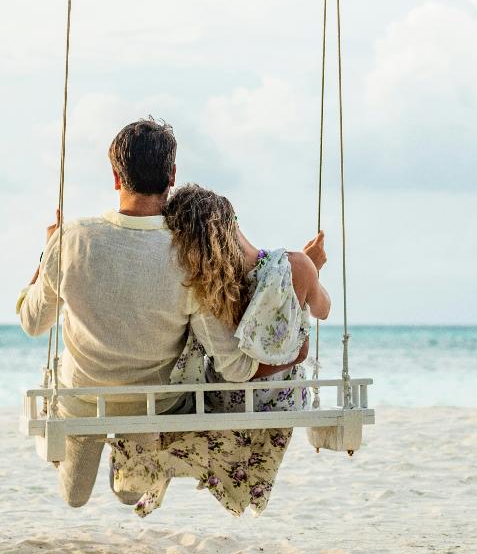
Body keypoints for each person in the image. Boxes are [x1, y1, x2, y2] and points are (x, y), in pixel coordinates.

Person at [17, 119, 308, 507]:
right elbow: (234, 367)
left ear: (116, 177)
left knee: (73, 497)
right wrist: (293, 353)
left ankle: (97, 451)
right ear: (172, 176)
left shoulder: (72, 240)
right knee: (130, 494)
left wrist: (47, 251)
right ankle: (128, 462)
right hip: (153, 406)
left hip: (81, 398)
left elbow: (32, 322)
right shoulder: (191, 254)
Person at [110, 183, 331, 516]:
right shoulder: (295, 265)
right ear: (233, 222)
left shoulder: (207, 289)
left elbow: (227, 365)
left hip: (223, 396)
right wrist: (312, 273)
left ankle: (159, 462)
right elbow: (323, 310)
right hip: (279, 400)